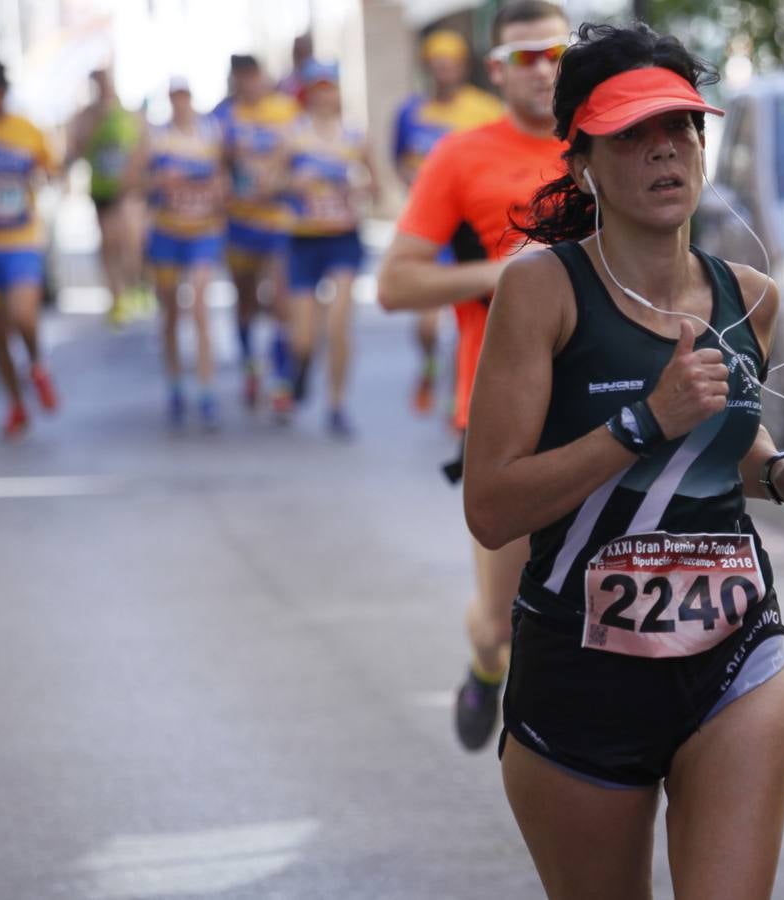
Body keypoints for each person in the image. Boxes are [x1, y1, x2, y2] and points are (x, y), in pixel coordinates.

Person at [464, 24, 784, 897]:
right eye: (631, 132)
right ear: (582, 161)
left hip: (734, 652)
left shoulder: (748, 298)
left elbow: (724, 446)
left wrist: (782, 474)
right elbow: (490, 508)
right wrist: (641, 422)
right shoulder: (543, 291)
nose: (663, 149)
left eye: (679, 126)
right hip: (583, 670)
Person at [377, 0, 571, 751]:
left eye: (555, 53)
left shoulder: (603, 144)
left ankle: (576, 763)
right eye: (526, 58)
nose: (544, 70)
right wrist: (505, 274)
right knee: (502, 621)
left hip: (603, 400)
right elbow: (394, 286)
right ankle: (485, 667)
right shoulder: (460, 156)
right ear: (498, 70)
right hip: (499, 412)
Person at [392, 28, 504, 416]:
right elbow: (398, 160)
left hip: (471, 232)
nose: (444, 73)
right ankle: (428, 365)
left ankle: (462, 396)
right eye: (437, 66)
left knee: (468, 322)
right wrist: (423, 188)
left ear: (461, 68)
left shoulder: (486, 110)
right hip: (430, 232)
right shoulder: (410, 112)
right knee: (426, 325)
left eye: (451, 65)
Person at [282, 61, 377, 438]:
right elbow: (269, 182)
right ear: (307, 92)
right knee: (304, 335)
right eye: (318, 88)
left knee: (339, 323)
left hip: (342, 238)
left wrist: (359, 189)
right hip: (304, 239)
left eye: (331, 87)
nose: (325, 95)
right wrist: (294, 182)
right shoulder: (293, 134)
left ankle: (337, 404)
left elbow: (376, 184)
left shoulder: (354, 135)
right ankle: (299, 368)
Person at [135, 76, 228, 430]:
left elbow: (224, 179)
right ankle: (175, 384)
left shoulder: (210, 134)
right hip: (167, 235)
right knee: (171, 313)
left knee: (200, 309)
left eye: (185, 96)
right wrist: (159, 183)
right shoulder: (156, 138)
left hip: (203, 233)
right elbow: (135, 181)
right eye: (174, 98)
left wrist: (217, 193)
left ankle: (206, 390)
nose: (180, 103)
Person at [0, 57, 60, 440]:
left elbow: (52, 169)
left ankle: (37, 365)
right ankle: (16, 404)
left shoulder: (26, 131)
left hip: (21, 240)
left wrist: (42, 175)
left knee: (22, 315)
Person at [220, 55, 299, 414]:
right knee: (246, 299)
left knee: (281, 301)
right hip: (239, 223)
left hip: (277, 221)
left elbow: (301, 157)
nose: (249, 85)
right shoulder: (223, 117)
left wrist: (280, 181)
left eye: (254, 77)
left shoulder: (285, 111)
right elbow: (216, 164)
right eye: (242, 79)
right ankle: (250, 363)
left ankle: (282, 380)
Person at [69, 67, 148, 326]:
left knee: (131, 241)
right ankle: (117, 297)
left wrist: (134, 176)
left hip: (128, 190)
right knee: (109, 245)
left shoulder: (129, 115)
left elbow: (143, 146)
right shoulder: (86, 116)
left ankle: (136, 285)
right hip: (101, 190)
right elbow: (76, 149)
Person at [277, 33, 314, 100]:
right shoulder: (285, 82)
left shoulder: (319, 76)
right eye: (298, 51)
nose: (301, 52)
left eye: (304, 49)